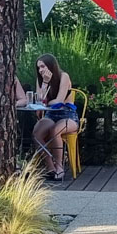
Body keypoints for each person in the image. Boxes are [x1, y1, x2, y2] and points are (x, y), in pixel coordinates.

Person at [28, 54, 80, 182]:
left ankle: (59, 167)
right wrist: (45, 83)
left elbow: (59, 101)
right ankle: (50, 167)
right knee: (37, 133)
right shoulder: (41, 80)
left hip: (67, 114)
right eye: (38, 68)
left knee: (55, 130)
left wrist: (46, 102)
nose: (41, 70)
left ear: (51, 66)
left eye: (43, 66)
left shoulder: (63, 76)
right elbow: (40, 101)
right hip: (50, 114)